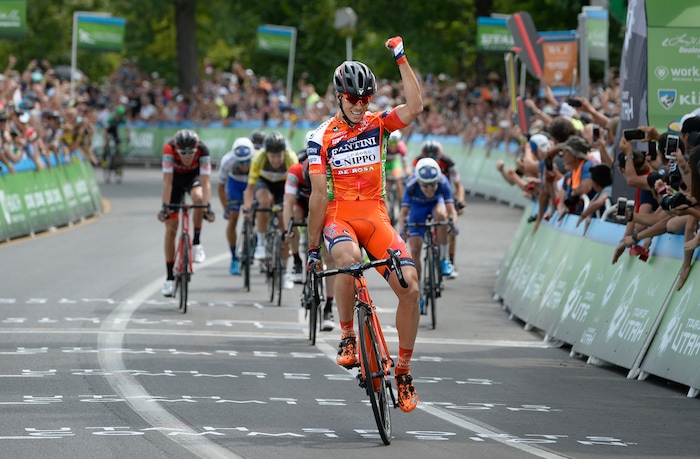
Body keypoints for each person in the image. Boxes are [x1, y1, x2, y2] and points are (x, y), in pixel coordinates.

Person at [307, 36, 423, 413]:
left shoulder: (380, 124)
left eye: (365, 99)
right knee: (347, 256)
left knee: (410, 286)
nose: (359, 106)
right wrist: (311, 250)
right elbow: (318, 197)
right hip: (340, 214)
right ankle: (347, 337)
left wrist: (401, 58)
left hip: (375, 214)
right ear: (338, 98)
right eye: (353, 100)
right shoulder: (320, 137)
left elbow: (416, 106)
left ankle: (403, 370)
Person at [283, 156, 336, 331]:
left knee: (330, 255)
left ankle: (329, 307)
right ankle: (297, 261)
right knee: (295, 217)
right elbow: (288, 203)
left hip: (324, 204)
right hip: (302, 203)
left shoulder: (330, 175)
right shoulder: (295, 171)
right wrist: (288, 228)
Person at [158, 129, 213, 296]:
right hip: (174, 181)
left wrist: (207, 206)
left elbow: (206, 183)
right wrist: (165, 206)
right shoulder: (169, 149)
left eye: (191, 153)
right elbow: (167, 182)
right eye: (183, 153)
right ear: (176, 149)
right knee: (171, 229)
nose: (187, 157)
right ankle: (169, 278)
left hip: (192, 178)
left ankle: (196, 242)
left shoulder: (203, 150)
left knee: (198, 197)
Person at [398, 157, 458, 306]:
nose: (430, 189)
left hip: (436, 205)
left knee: (442, 215)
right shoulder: (411, 184)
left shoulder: (443, 182)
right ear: (419, 182)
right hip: (417, 210)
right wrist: (402, 231)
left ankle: (444, 259)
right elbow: (403, 213)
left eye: (433, 185)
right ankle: (418, 292)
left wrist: (452, 226)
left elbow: (452, 211)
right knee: (416, 248)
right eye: (425, 186)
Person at [242, 130, 298, 289]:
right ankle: (260, 243)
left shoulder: (290, 158)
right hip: (264, 182)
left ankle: (285, 272)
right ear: (266, 154)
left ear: (283, 153)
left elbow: (292, 191)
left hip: (283, 185)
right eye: (272, 156)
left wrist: (289, 210)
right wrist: (247, 208)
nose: (275, 160)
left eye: (278, 156)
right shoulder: (258, 158)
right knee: (264, 202)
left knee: (285, 224)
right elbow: (250, 188)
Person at [412, 139, 465, 274]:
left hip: (443, 192)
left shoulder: (448, 162)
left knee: (450, 226)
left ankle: (449, 259)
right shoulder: (417, 162)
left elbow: (459, 185)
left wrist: (461, 200)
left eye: (434, 157)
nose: (431, 159)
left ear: (439, 155)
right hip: (424, 196)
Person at [217, 137, 254, 275]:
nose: (244, 165)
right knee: (233, 219)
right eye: (241, 162)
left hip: (252, 183)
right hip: (235, 185)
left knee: (256, 211)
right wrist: (226, 207)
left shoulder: (257, 157)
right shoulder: (227, 161)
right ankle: (234, 258)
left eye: (247, 161)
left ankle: (255, 236)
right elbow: (221, 187)